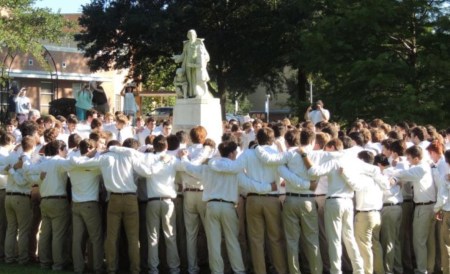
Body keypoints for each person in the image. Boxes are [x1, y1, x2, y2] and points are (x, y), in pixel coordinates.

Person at [172, 29, 210, 98]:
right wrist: (177, 58)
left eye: (192, 34)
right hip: (187, 65)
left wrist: (204, 59)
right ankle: (190, 94)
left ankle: (199, 93)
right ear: (187, 36)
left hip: (197, 64)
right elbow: (183, 55)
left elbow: (206, 55)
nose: (191, 36)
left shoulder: (199, 43)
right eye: (189, 34)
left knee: (197, 79)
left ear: (195, 35)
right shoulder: (186, 44)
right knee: (189, 80)